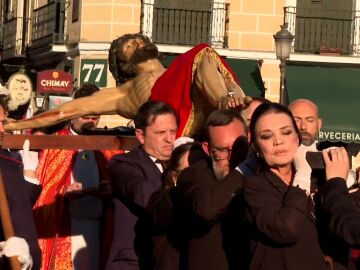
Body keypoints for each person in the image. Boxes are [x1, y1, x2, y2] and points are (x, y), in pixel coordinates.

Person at [4, 33, 251, 139]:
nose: (136, 42)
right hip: (175, 119)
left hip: (203, 102)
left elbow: (207, 69)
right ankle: (231, 107)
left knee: (207, 56)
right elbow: (68, 111)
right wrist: (17, 124)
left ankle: (233, 105)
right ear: (124, 65)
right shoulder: (125, 92)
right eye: (129, 46)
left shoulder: (182, 70)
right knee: (201, 53)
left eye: (138, 40)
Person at [33, 84, 124, 270]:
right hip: (67, 227)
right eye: (86, 117)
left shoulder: (110, 144)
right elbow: (42, 191)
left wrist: (110, 191)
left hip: (100, 227)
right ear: (73, 114)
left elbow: (122, 188)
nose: (91, 122)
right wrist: (63, 192)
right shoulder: (56, 145)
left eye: (95, 117)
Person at [242, 102, 342, 270]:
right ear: (255, 145)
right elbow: (287, 229)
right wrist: (302, 173)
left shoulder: (317, 180)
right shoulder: (254, 187)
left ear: (297, 138)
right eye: (267, 136)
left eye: (286, 132)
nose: (278, 141)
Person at [106, 100, 178, 270]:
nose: (170, 139)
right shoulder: (122, 164)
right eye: (161, 132)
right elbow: (144, 194)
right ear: (140, 135)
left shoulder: (183, 162)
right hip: (136, 262)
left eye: (173, 131)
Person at [174, 109, 249, 270]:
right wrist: (243, 169)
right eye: (222, 150)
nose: (232, 157)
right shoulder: (193, 176)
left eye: (237, 147)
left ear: (248, 140)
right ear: (207, 150)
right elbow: (206, 209)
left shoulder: (258, 171)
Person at [148, 141, 208, 270]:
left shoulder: (211, 201)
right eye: (190, 172)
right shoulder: (162, 200)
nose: (197, 177)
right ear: (174, 176)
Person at [0, 96, 41, 269]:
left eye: (2, 122)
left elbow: (23, 226)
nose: (2, 129)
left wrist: (26, 257)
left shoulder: (8, 168)